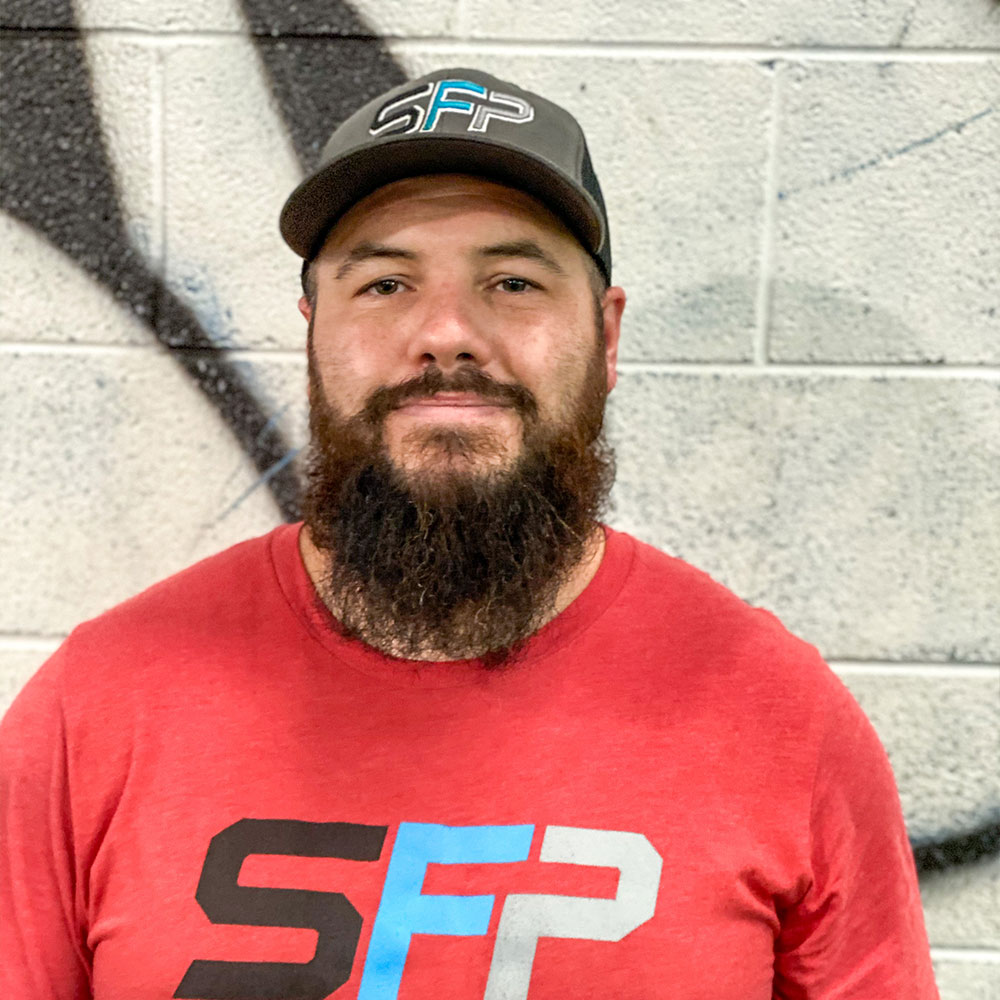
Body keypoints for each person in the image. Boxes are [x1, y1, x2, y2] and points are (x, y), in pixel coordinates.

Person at [1, 68, 937, 999]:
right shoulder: (96, 712)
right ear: (313, 330)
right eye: (385, 284)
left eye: (514, 282)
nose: (446, 332)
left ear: (607, 337)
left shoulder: (780, 720)